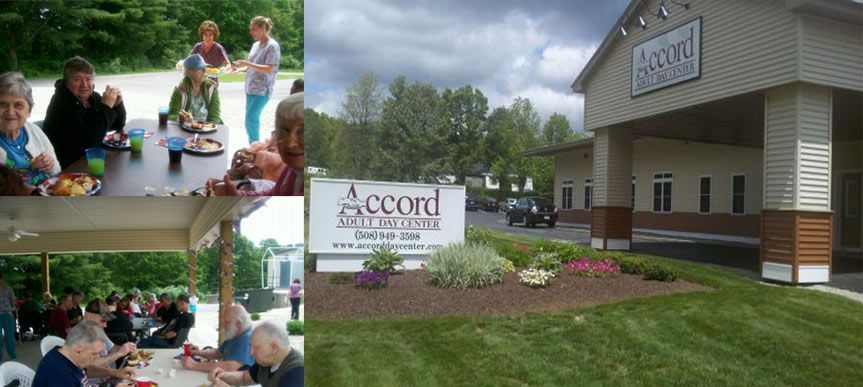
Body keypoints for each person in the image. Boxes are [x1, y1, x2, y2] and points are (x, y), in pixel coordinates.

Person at [207, 93, 304, 196]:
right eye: (284, 132)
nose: (290, 144)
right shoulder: (291, 170)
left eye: (303, 133)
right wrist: (237, 195)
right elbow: (273, 193)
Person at [43, 56, 126, 169]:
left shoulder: (93, 97)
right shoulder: (61, 104)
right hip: (69, 167)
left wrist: (116, 105)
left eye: (88, 79)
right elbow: (90, 143)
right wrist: (106, 107)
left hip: (89, 160)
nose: (84, 84)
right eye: (77, 79)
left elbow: (117, 125)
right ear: (66, 82)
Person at [0, 72, 61, 187]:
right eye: (2, 104)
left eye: (18, 105)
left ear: (29, 111)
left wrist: (50, 164)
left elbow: (57, 171)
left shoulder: (34, 131)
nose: (10, 112)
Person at [32, 320, 137, 387]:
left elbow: (86, 370)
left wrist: (115, 372)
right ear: (79, 350)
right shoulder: (60, 376)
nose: (97, 357)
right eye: (94, 354)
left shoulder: (67, 355)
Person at [208, 321, 303, 387]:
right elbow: (244, 378)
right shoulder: (267, 361)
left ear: (274, 347)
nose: (251, 353)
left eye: (256, 347)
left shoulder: (298, 371)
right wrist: (223, 375)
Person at [233, 16, 281, 143]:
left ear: (264, 28)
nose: (251, 32)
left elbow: (269, 68)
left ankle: (255, 148)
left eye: (254, 29)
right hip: (250, 88)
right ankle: (253, 146)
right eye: (251, 29)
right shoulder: (255, 45)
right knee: (252, 119)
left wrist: (247, 64)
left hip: (262, 90)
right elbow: (253, 65)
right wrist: (240, 69)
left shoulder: (272, 46)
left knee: (250, 118)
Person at [182, 304, 255, 372]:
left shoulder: (247, 339)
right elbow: (218, 353)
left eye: (226, 322)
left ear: (238, 323)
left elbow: (230, 367)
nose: (223, 325)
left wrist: (195, 365)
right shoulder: (234, 334)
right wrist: (199, 352)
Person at [83, 299, 137, 368]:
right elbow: (89, 366)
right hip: (95, 378)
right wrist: (119, 353)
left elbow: (111, 348)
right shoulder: (81, 335)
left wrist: (126, 348)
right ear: (89, 317)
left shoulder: (98, 330)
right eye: (103, 321)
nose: (105, 325)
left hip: (106, 376)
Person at [169, 54, 222, 124]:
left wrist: (209, 128)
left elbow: (215, 116)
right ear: (189, 73)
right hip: (186, 129)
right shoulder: (180, 90)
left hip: (206, 128)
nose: (204, 71)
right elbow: (171, 116)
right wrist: (179, 118)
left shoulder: (211, 87)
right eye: (200, 68)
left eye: (205, 67)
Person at [189, 20, 236, 87]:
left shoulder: (218, 48)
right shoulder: (198, 46)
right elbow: (188, 61)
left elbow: (228, 64)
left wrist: (224, 70)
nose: (208, 37)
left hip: (212, 83)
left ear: (214, 35)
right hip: (197, 82)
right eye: (205, 35)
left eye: (210, 35)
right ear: (202, 35)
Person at [0, 273, 15, 361]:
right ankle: (12, 354)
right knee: (9, 335)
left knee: (9, 335)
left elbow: (13, 300)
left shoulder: (8, 288)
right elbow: (13, 300)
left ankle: (11, 354)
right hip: (7, 313)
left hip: (7, 314)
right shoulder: (8, 288)